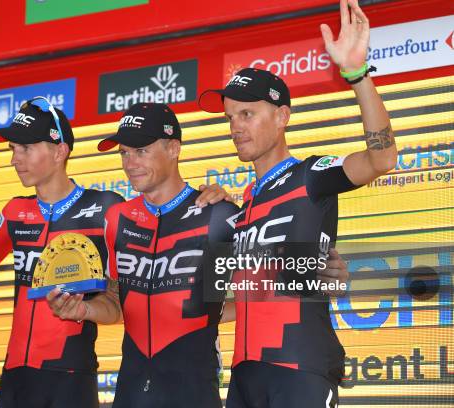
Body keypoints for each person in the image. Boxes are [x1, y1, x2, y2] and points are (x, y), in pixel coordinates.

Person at [0, 97, 229, 408]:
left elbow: (131, 290)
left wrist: (214, 199)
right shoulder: (15, 211)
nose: (15, 159)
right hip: (16, 377)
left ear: (59, 151)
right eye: (12, 149)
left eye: (25, 147)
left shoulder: (106, 208)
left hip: (72, 377)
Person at [47, 102, 350, 407]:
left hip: (194, 391)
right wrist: (82, 311)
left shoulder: (218, 215)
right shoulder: (117, 219)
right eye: (124, 152)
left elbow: (271, 284)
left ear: (174, 148)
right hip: (130, 392)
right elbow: (118, 303)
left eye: (141, 151)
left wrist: (328, 276)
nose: (130, 163)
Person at [198, 1, 397, 406]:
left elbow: (382, 159)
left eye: (248, 114)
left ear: (283, 116)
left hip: (299, 368)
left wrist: (357, 75)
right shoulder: (243, 208)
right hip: (244, 375)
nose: (236, 127)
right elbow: (244, 303)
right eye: (230, 118)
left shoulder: (311, 175)